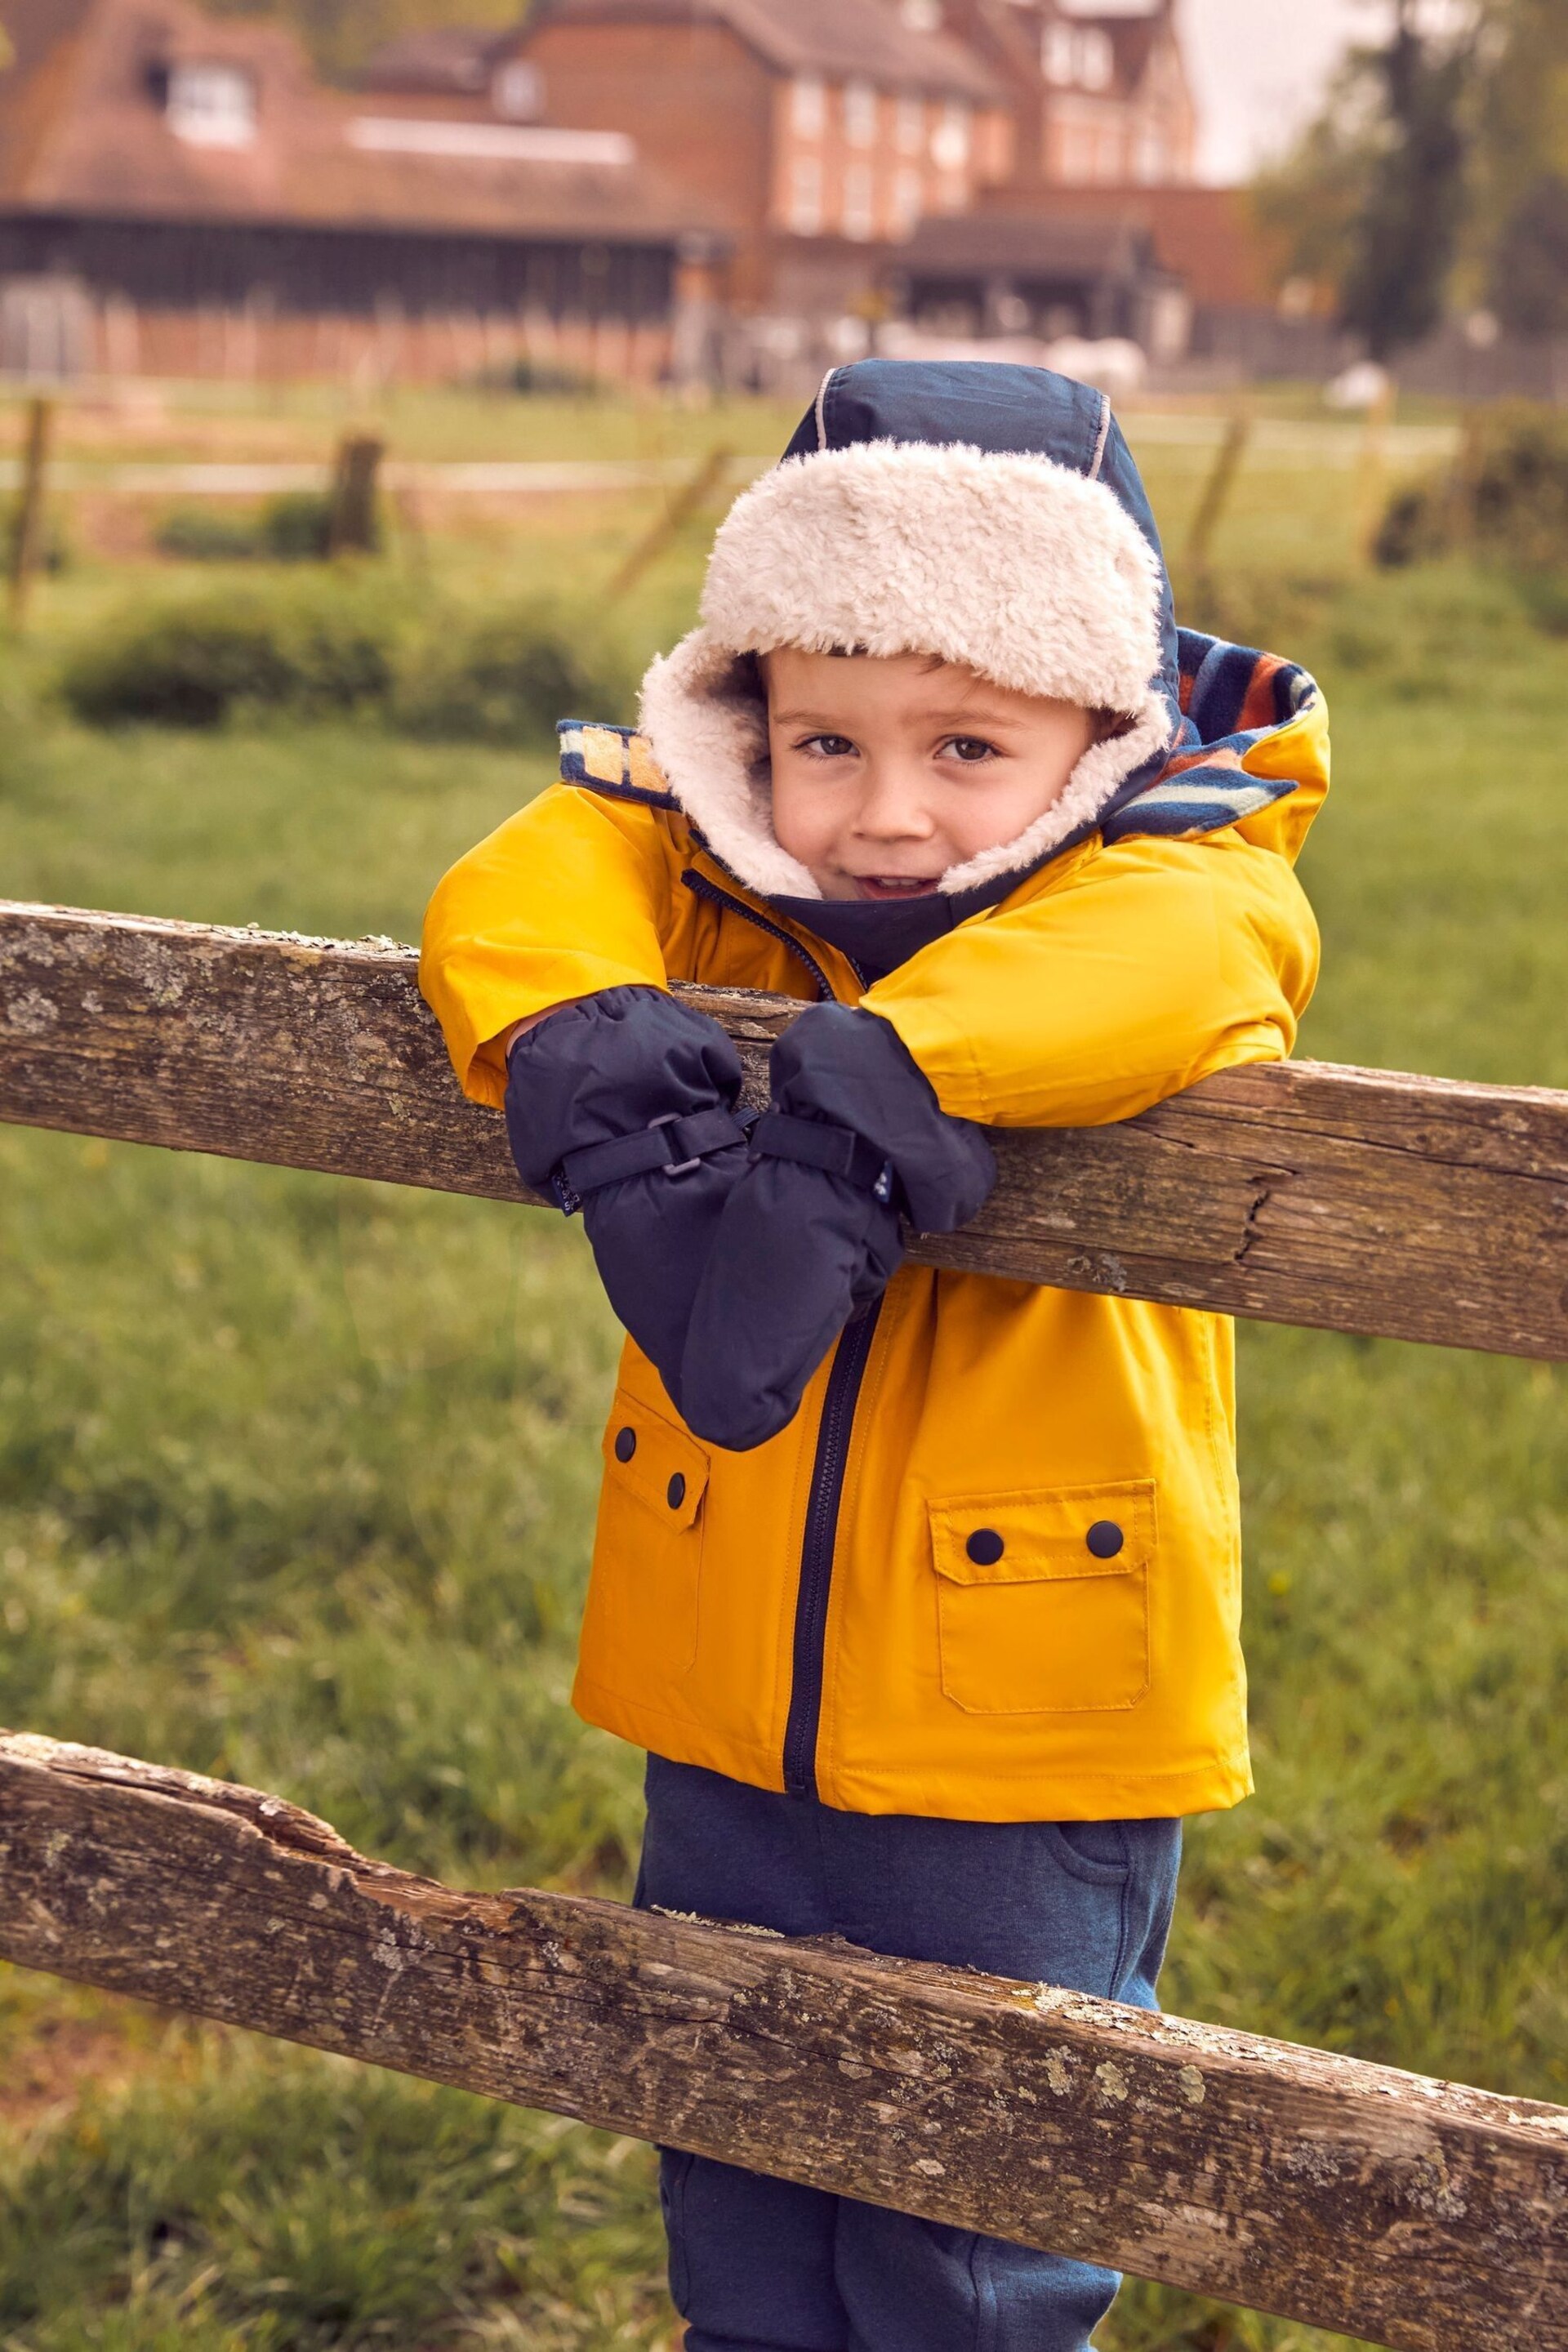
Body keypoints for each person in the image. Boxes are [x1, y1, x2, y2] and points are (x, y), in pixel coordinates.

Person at [420, 360, 1329, 2352]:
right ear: (750, 721)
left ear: (1101, 731)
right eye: (824, 737)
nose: (888, 811)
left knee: (974, 2242)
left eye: (969, 743)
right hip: (720, 1700)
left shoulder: (1170, 869)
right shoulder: (726, 872)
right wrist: (590, 1054)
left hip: (1027, 1728)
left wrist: (884, 1088)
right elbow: (530, 869)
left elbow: (1196, 951)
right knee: (731, 2160)